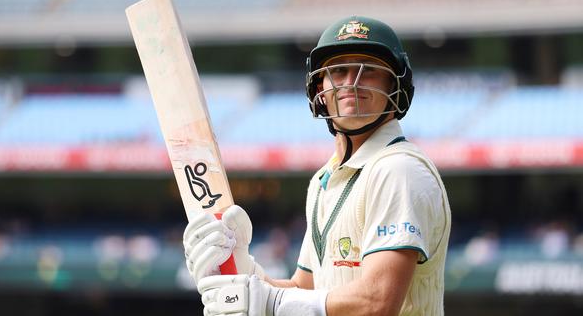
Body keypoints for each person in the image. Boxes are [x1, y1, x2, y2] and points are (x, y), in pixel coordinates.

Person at [183, 16, 452, 316]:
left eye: (370, 71)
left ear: (396, 85)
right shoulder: (324, 179)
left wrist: (272, 303)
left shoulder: (398, 170)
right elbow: (306, 292)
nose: (351, 82)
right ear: (318, 88)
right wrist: (246, 275)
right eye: (338, 70)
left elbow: (377, 301)